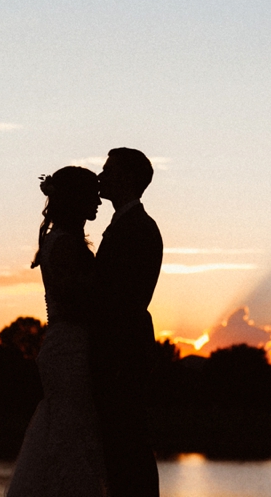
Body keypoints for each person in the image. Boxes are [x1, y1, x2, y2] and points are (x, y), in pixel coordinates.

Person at [6, 166, 108, 497]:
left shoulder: (64, 241)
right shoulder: (64, 245)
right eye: (92, 195)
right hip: (69, 350)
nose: (98, 201)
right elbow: (76, 303)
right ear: (76, 199)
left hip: (69, 347)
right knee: (72, 436)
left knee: (67, 432)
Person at [92, 147, 163, 497]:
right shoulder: (125, 224)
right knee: (119, 449)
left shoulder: (139, 228)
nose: (101, 176)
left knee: (129, 446)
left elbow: (125, 301)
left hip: (123, 356)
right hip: (117, 354)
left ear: (129, 178)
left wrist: (115, 360)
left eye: (108, 170)